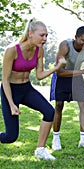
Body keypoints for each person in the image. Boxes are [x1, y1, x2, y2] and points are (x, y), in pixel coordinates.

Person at [0, 18, 66, 160]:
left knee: (49, 112)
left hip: (26, 89)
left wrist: (56, 68)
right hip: (10, 91)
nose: (45, 38)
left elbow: (39, 75)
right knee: (10, 136)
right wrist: (11, 104)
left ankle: (40, 150)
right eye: (42, 35)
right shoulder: (12, 50)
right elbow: (4, 79)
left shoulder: (39, 50)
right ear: (30, 34)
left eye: (46, 35)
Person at [51, 26, 84, 151]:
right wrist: (81, 71)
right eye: (83, 40)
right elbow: (59, 71)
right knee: (59, 105)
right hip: (63, 76)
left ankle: (83, 140)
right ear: (76, 38)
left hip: (77, 76)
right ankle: (56, 139)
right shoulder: (65, 46)